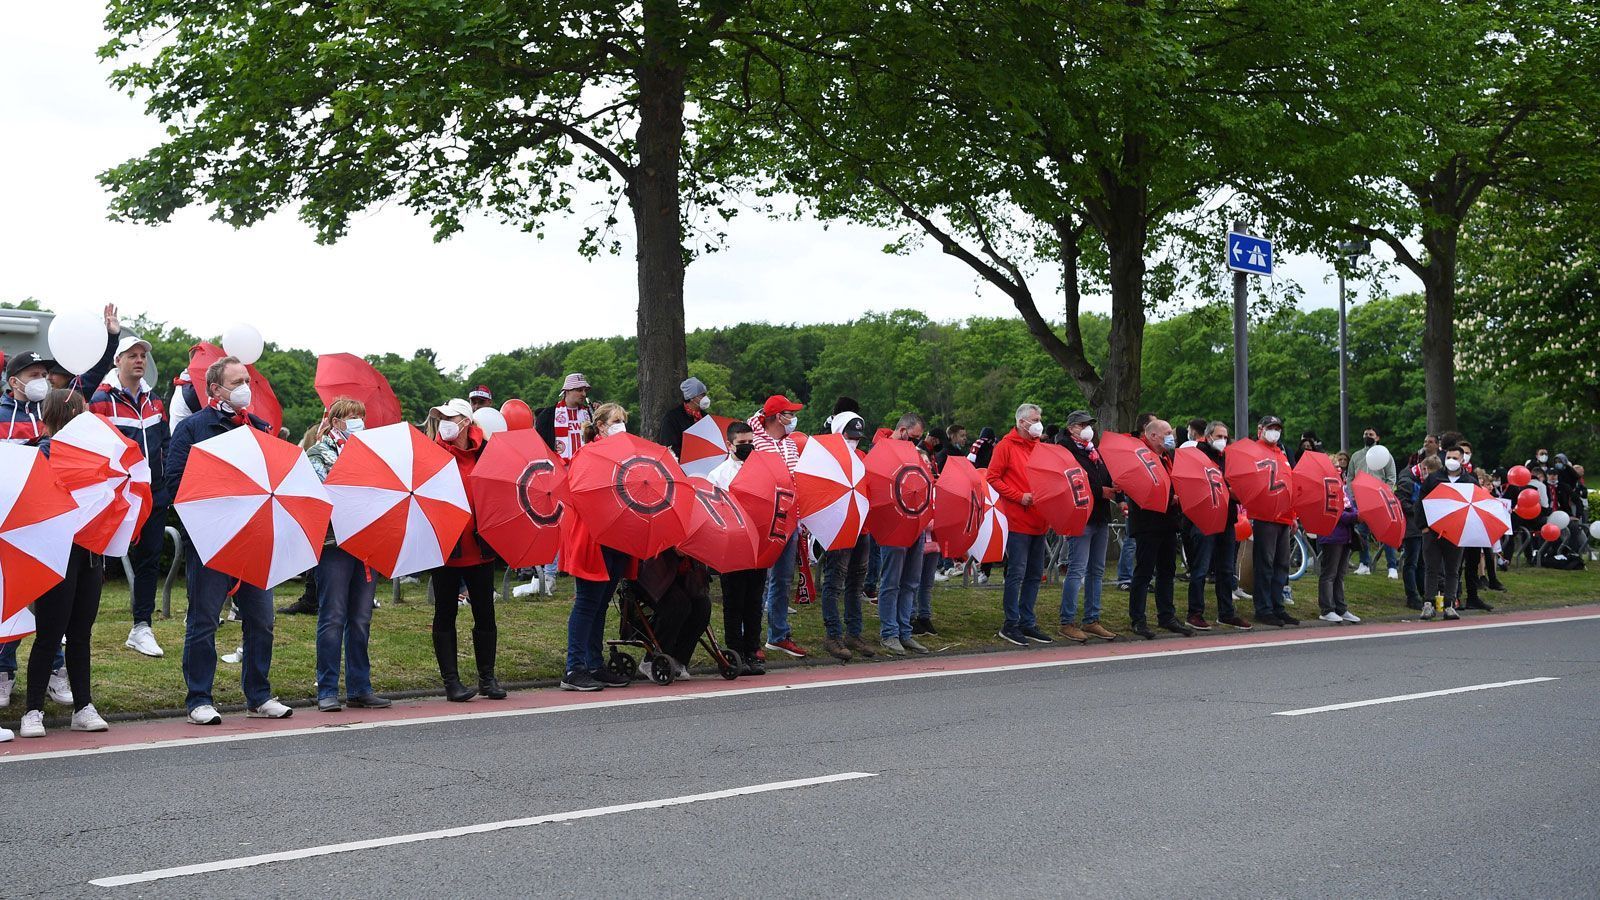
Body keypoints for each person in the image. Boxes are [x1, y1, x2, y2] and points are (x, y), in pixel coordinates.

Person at [164, 356, 291, 724]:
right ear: (214, 389)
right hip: (211, 540)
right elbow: (175, 483)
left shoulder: (261, 428)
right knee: (204, 620)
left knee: (261, 620)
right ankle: (199, 698)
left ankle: (259, 695)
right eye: (237, 381)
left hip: (254, 538)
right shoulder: (192, 429)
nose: (245, 388)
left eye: (247, 380)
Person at [15, 390, 110, 738]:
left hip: (90, 552)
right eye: (78, 413)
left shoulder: (98, 454)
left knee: (81, 633)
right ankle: (33, 710)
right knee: (49, 634)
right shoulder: (42, 453)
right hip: (56, 553)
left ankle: (83, 706)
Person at [86, 332, 176, 656]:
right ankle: (77, 625)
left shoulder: (155, 401)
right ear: (118, 361)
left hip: (153, 494)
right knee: (98, 561)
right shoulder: (100, 399)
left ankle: (142, 626)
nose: (139, 360)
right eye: (132, 355)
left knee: (149, 560)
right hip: (115, 496)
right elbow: (93, 446)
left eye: (143, 356)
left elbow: (165, 442)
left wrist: (164, 483)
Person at [303, 398, 391, 711]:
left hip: (366, 543)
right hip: (333, 545)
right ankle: (327, 689)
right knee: (333, 616)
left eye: (360, 416)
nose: (357, 422)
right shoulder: (318, 453)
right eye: (351, 417)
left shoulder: (371, 455)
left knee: (361, 617)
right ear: (336, 421)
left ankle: (359, 687)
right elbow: (322, 496)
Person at [423, 398, 504, 701]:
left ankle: (488, 678)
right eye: (440, 416)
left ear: (466, 422)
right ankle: (451, 682)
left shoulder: (488, 452)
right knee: (444, 614)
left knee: (485, 613)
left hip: (480, 547)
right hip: (445, 548)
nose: (444, 422)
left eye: (450, 417)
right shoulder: (431, 454)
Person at [559, 402, 635, 691]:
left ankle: (593, 663)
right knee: (587, 603)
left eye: (623, 420)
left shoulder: (627, 455)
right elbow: (580, 493)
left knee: (601, 604)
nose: (621, 425)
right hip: (593, 538)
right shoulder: (587, 454)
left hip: (616, 538)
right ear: (601, 426)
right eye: (616, 420)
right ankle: (574, 667)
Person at [986, 403, 1055, 646]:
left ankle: (1027, 621)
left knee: (1035, 574)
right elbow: (992, 477)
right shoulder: (1005, 446)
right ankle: (1011, 623)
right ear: (1021, 422)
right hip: (1017, 520)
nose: (1039, 423)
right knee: (1016, 573)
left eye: (1040, 418)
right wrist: (1018, 496)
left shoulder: (1040, 447)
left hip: (1040, 520)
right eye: (1035, 419)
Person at [749, 394, 808, 659]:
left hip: (790, 519)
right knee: (756, 579)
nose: (792, 418)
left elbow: (796, 480)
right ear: (776, 417)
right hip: (765, 519)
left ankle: (778, 634)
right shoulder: (755, 440)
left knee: (783, 579)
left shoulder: (791, 445)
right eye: (788, 413)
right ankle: (749, 638)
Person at [815, 412, 877, 661]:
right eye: (850, 437)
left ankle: (854, 633)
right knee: (834, 583)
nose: (854, 442)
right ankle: (833, 635)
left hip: (862, 529)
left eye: (857, 438)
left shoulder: (862, 457)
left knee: (856, 584)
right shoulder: (827, 458)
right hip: (838, 528)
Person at [708, 421, 766, 675]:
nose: (747, 447)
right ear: (729, 444)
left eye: (750, 442)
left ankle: (753, 649)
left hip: (759, 543)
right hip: (732, 544)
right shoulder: (718, 474)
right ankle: (735, 651)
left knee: (754, 600)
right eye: (742, 444)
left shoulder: (762, 469)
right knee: (734, 601)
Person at [1125, 419, 1193, 639]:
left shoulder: (1168, 456)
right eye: (1166, 433)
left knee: (1167, 571)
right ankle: (1138, 619)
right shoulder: (1139, 455)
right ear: (1152, 435)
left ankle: (1167, 616)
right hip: (1147, 523)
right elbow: (1139, 488)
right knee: (1144, 572)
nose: (1170, 436)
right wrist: (1167, 498)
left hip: (1168, 521)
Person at [1056, 411, 1119, 642]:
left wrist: (1113, 488)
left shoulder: (1092, 450)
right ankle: (1067, 621)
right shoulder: (1065, 450)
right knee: (1077, 570)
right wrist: (1099, 490)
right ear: (1071, 427)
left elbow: (1103, 475)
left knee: (1096, 571)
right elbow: (1071, 480)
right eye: (1083, 425)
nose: (1088, 429)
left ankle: (1092, 619)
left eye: (1089, 425)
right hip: (1081, 516)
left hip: (1099, 515)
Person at [875, 413, 931, 656]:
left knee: (909, 582)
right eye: (915, 437)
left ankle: (904, 632)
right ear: (902, 430)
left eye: (919, 439)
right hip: (893, 525)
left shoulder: (915, 454)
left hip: (915, 521)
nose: (916, 442)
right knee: (891, 582)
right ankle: (890, 633)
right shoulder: (880, 449)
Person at [534, 372, 594, 592]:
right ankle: (548, 574)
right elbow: (539, 446)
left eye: (585, 390)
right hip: (557, 475)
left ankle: (578, 565)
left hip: (584, 474)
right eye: (579, 389)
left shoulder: (589, 413)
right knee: (557, 522)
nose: (583, 393)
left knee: (582, 522)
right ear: (567, 390)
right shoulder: (550, 414)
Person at [1188, 422, 1251, 630]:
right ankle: (1194, 612)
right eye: (1219, 436)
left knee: (1226, 569)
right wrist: (1226, 488)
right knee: (1201, 569)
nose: (1223, 440)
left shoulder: (1229, 458)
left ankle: (1226, 612)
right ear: (1208, 437)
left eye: (1226, 436)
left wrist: (1236, 491)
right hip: (1205, 517)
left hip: (1227, 517)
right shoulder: (1197, 455)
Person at [1248, 415, 1300, 627]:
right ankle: (1264, 608)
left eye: (1277, 428)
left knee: (1282, 564)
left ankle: (1278, 606)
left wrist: (1294, 514)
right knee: (1265, 564)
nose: (1275, 432)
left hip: (1284, 516)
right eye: (1271, 428)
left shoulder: (1283, 452)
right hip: (1265, 516)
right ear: (1260, 429)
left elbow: (1291, 483)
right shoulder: (1254, 451)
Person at [632, 549, 712, 682]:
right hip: (651, 573)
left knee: (703, 606)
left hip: (680, 575)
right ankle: (651, 659)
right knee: (678, 604)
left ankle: (678, 659)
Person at [1421, 444, 1472, 620]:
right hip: (1433, 531)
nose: (1451, 461)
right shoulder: (1434, 479)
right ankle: (1428, 603)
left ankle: (1449, 604)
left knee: (1453, 570)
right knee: (1431, 568)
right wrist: (1424, 527)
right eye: (1448, 457)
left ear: (1462, 460)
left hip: (1456, 533)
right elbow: (1420, 502)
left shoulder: (1469, 481)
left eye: (1455, 458)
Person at [1347, 426, 1399, 579]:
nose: (1367, 436)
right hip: (1360, 500)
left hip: (1379, 500)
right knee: (1362, 532)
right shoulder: (1356, 456)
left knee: (1385, 533)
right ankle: (1364, 564)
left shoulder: (1385, 455)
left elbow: (1391, 477)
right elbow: (1350, 476)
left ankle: (1392, 566)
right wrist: (1352, 494)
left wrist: (1385, 493)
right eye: (1365, 434)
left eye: (1370, 434)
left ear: (1377, 438)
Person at [1315, 482, 1362, 624]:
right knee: (1329, 574)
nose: (1339, 470)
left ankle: (1340, 608)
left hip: (1344, 536)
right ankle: (1327, 609)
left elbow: (1350, 507)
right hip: (1331, 535)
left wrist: (1355, 514)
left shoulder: (1342, 488)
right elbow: (1336, 512)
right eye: (1336, 466)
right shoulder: (1325, 488)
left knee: (1340, 575)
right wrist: (1355, 516)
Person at [1398, 455, 1438, 609]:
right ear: (1424, 469)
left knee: (1422, 562)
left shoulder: (1424, 481)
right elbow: (1401, 502)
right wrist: (1420, 509)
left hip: (1422, 527)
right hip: (1411, 527)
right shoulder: (1407, 479)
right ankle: (1411, 595)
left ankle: (1423, 593)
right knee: (1411, 563)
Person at [658, 376, 710, 460]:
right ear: (692, 397)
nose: (705, 398)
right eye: (702, 395)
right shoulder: (672, 418)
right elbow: (669, 446)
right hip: (681, 464)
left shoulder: (706, 417)